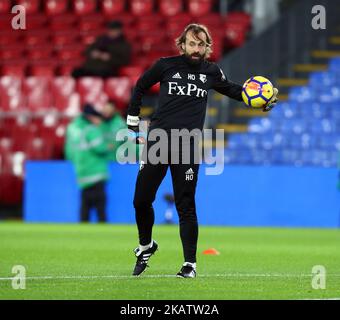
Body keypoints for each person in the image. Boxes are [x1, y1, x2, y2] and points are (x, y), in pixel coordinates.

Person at [126, 23, 279, 278]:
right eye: (191, 43)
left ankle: (190, 265)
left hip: (187, 146)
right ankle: (146, 246)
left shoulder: (211, 72)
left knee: (186, 205)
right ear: (182, 44)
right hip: (159, 142)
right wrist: (132, 119)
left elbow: (233, 89)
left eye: (201, 44)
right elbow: (140, 85)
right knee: (141, 200)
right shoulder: (165, 65)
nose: (196, 49)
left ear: (207, 47)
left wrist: (260, 101)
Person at [65, 104, 112, 222]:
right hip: (96, 172)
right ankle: (103, 234)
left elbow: (68, 152)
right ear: (92, 117)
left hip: (81, 172)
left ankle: (82, 233)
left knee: (84, 206)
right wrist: (109, 146)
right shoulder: (90, 130)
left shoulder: (72, 128)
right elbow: (101, 148)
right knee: (100, 207)